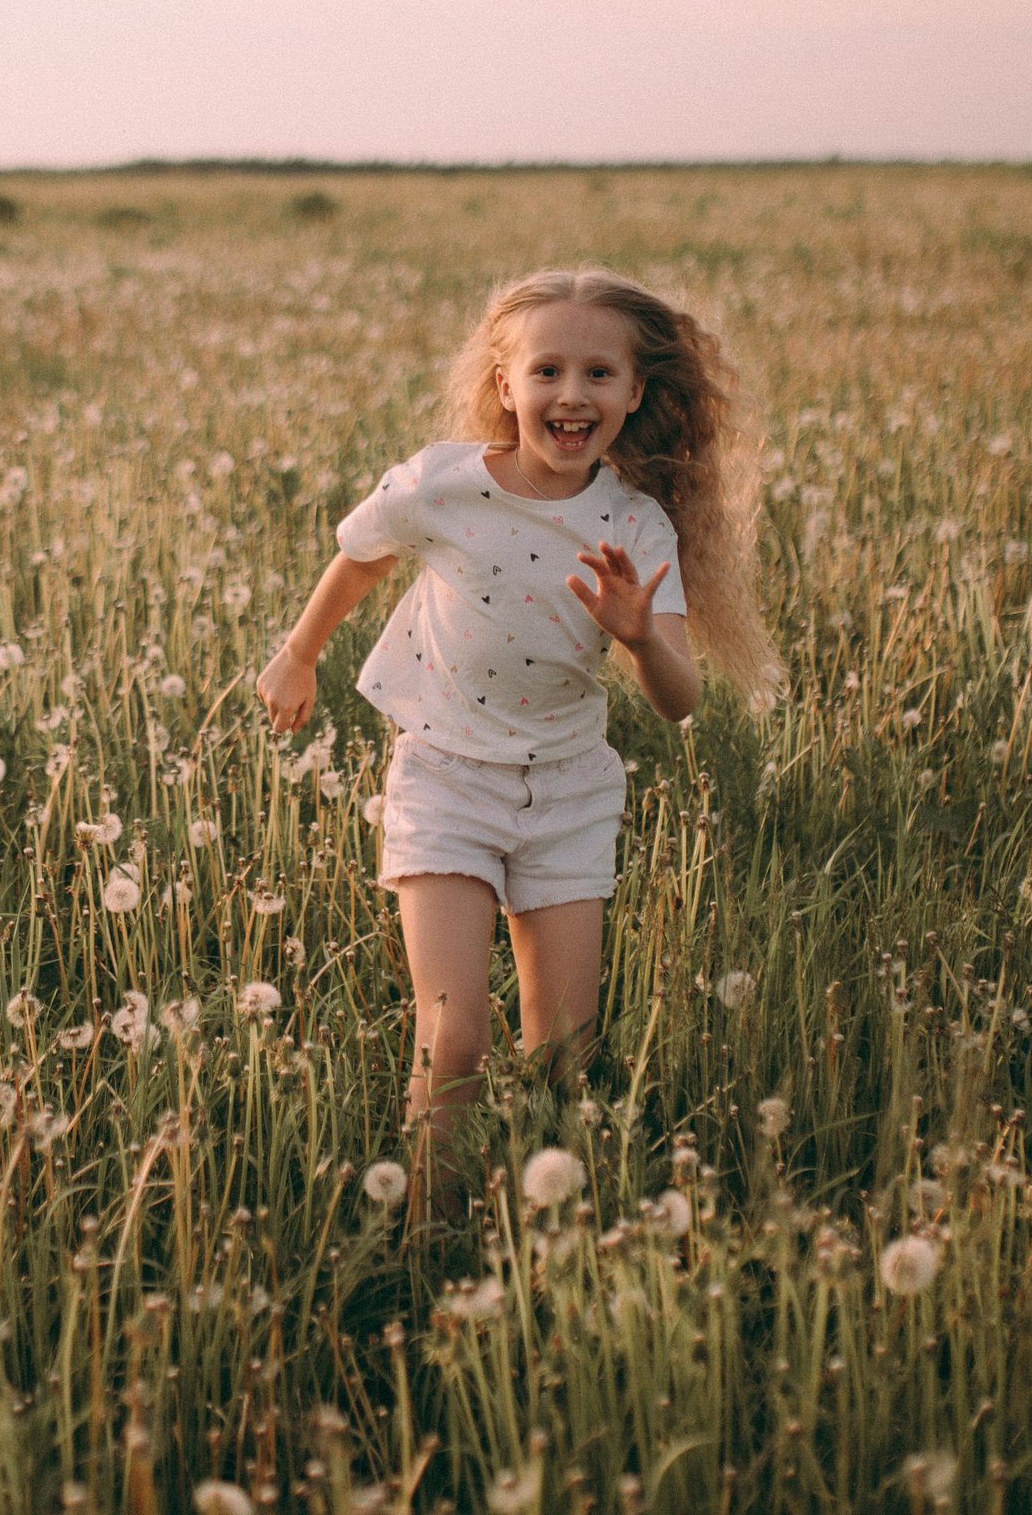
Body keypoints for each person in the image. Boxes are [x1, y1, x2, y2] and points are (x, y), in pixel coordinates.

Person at [255, 267, 778, 1223]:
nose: (572, 394)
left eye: (599, 374)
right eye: (547, 371)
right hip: (445, 779)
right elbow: (362, 556)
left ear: (635, 393)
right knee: (453, 1037)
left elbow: (679, 700)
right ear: (506, 384)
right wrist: (299, 653)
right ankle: (429, 1233)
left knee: (564, 1053)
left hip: (568, 794)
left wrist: (638, 636)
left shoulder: (634, 523)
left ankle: (546, 1228)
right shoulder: (443, 484)